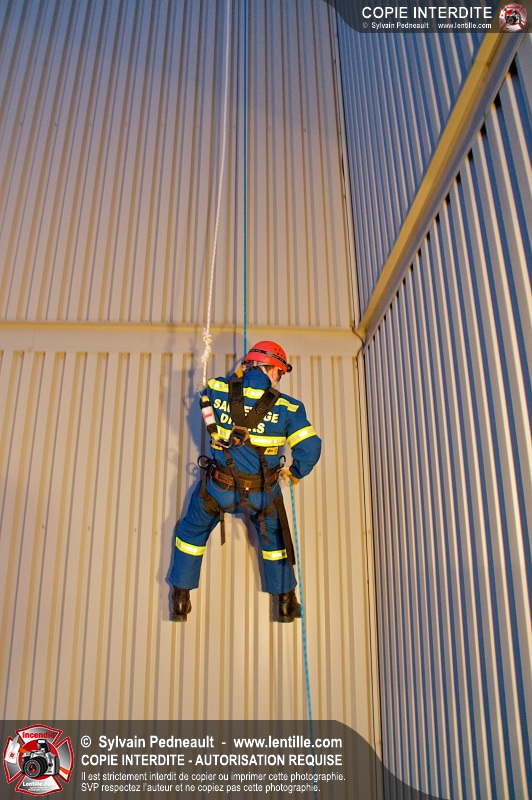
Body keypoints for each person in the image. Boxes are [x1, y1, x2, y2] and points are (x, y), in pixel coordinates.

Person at [169, 341, 322, 622]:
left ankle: (180, 598)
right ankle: (285, 602)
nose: (279, 379)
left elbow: (214, 389)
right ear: (273, 369)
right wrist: (295, 473)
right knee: (276, 540)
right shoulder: (289, 407)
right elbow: (310, 448)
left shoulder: (217, 389)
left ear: (247, 366)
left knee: (191, 532)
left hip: (218, 488)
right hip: (263, 495)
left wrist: (241, 376)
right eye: (280, 373)